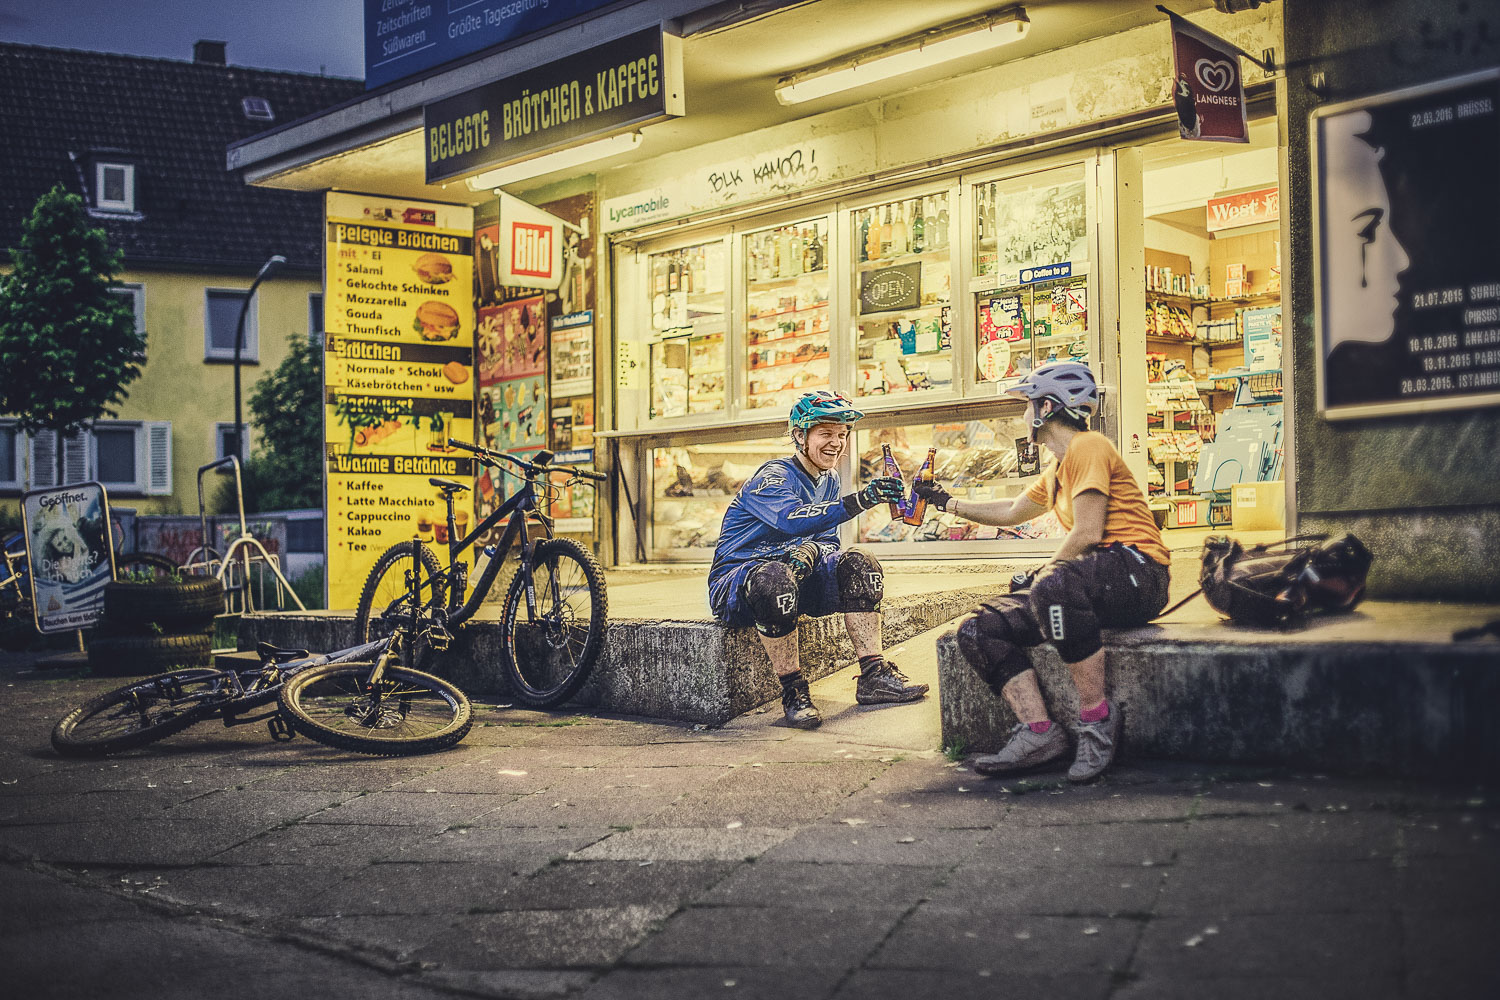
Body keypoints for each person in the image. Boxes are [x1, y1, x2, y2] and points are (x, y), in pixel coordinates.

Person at [913, 362, 1170, 781]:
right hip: (1089, 580)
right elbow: (1012, 511)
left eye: (1027, 405)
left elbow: (1087, 531)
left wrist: (1042, 577)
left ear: (1046, 407)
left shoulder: (1088, 446)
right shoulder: (1059, 468)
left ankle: (1096, 720)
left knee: (1053, 583)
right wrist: (946, 502)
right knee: (979, 628)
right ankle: (1039, 732)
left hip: (1138, 571)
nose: (1023, 415)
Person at [708, 390, 929, 728]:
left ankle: (874, 675)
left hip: (794, 577)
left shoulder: (829, 478)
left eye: (842, 434)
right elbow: (791, 519)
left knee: (861, 562)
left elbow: (827, 541)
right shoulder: (773, 476)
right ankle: (794, 692)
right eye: (826, 433)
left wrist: (812, 550)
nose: (836, 443)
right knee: (774, 578)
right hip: (739, 584)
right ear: (800, 436)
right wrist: (862, 500)